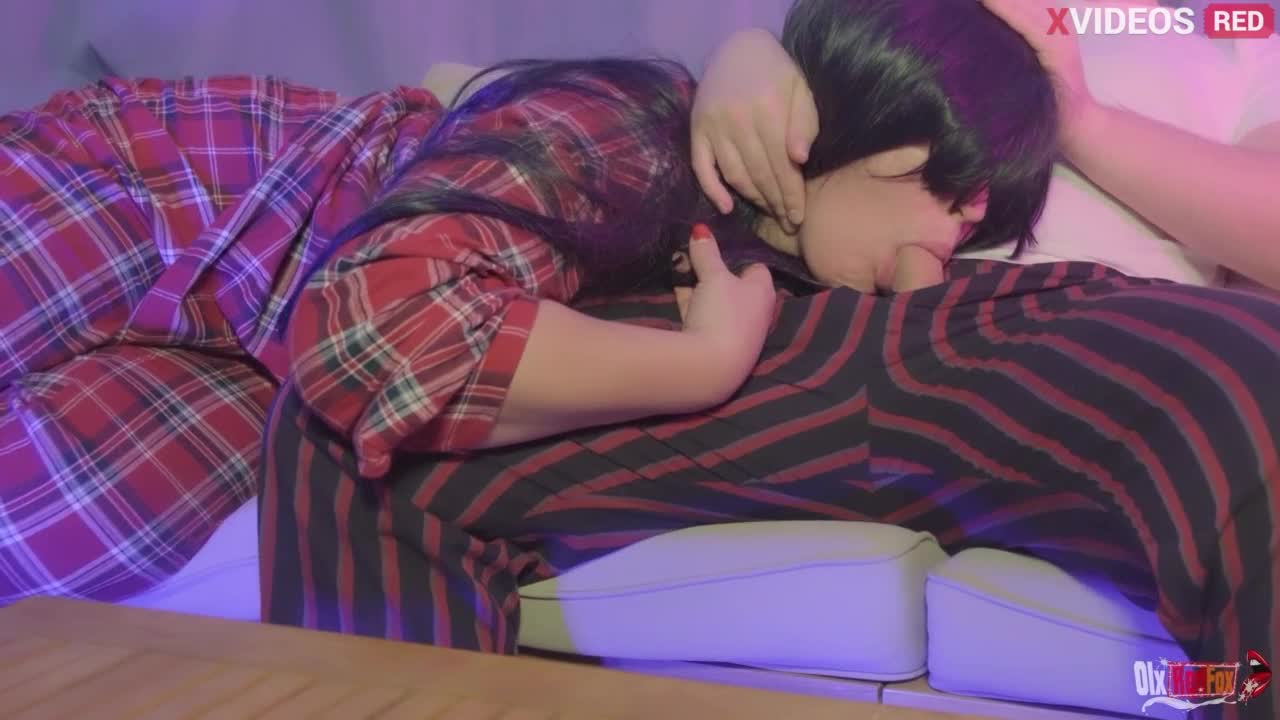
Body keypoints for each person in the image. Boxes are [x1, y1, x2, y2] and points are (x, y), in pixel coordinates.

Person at [259, 2, 1278, 719]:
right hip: (893, 359)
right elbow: (369, 332)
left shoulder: (1233, 58)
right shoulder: (641, 129)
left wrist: (1067, 126)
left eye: (980, 216)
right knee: (346, 440)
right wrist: (701, 362)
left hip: (1102, 345)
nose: (967, 223)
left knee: (1230, 396)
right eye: (962, 196)